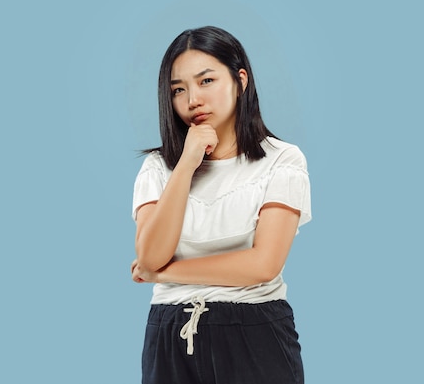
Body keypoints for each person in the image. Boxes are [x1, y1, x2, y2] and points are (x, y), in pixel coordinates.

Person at [130, 25, 311, 384]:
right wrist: (186, 163)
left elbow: (263, 265)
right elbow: (150, 254)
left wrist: (161, 273)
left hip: (255, 331)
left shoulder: (282, 160)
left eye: (206, 81)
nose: (192, 99)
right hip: (168, 335)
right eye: (178, 90)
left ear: (240, 81)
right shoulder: (158, 167)